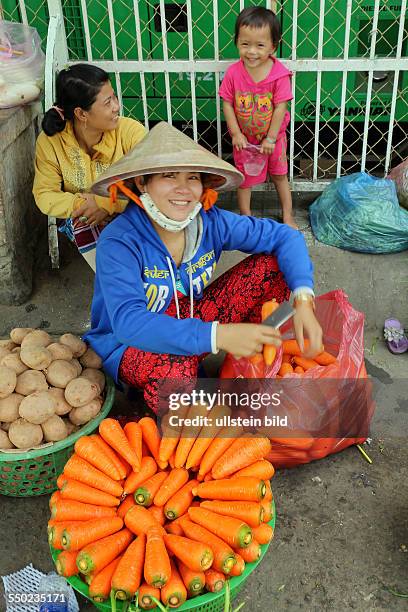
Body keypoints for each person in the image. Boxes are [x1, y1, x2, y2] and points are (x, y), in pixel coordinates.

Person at [84, 122, 323, 413]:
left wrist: (303, 298)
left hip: (192, 316)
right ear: (141, 183)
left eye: (193, 177)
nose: (183, 189)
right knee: (177, 384)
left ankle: (245, 362)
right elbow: (128, 323)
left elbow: (285, 237)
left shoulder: (210, 222)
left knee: (271, 266)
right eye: (169, 176)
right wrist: (217, 335)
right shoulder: (119, 241)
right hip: (130, 344)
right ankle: (159, 385)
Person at [32, 63, 146, 270]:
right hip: (86, 218)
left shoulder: (130, 132)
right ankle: (118, 284)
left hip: (130, 210)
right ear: (81, 114)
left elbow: (149, 180)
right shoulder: (50, 142)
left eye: (114, 97)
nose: (116, 106)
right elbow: (44, 194)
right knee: (86, 228)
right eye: (107, 101)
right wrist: (84, 206)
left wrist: (105, 202)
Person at [219, 6, 297, 228]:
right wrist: (235, 133)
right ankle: (246, 217)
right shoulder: (234, 73)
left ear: (273, 45)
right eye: (245, 44)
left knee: (280, 175)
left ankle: (288, 215)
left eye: (260, 45)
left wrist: (271, 138)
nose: (251, 51)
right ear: (237, 42)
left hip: (274, 140)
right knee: (244, 180)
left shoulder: (279, 75)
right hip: (244, 140)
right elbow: (227, 103)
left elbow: (280, 107)